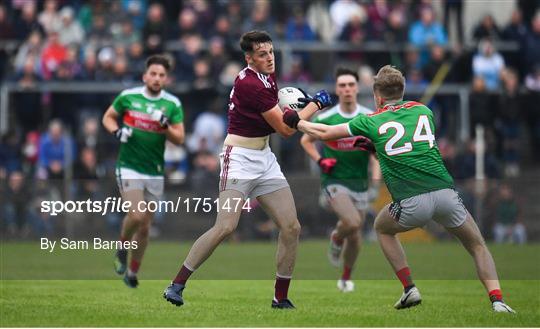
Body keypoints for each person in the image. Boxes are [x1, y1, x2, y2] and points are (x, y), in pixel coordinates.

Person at [282, 65, 515, 313]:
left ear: (377, 97)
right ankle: (498, 300)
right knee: (477, 245)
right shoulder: (424, 111)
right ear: (402, 90)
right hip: (446, 195)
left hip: (411, 201)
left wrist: (297, 122)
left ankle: (409, 288)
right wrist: (375, 149)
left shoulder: (371, 119)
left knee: (381, 228)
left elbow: (325, 132)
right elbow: (410, 146)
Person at [163, 30, 332, 309]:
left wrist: (295, 113)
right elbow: (285, 130)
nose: (269, 58)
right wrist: (315, 104)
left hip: (264, 157)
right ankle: (177, 284)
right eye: (262, 54)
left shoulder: (267, 76)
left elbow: (280, 122)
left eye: (271, 52)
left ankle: (280, 298)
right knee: (226, 226)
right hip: (239, 158)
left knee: (291, 227)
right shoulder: (250, 83)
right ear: (249, 58)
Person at [102, 54, 185, 288]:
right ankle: (121, 246)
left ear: (166, 79)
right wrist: (117, 132)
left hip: (155, 170)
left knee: (146, 227)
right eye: (153, 74)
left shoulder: (172, 104)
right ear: (145, 76)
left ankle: (132, 271)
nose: (157, 78)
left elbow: (179, 138)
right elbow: (108, 118)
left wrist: (165, 125)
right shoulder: (128, 97)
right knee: (137, 215)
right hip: (129, 166)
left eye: (161, 75)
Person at [300, 67, 381, 292]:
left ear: (357, 88)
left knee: (355, 238)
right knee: (353, 223)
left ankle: (345, 278)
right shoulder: (326, 117)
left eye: (351, 85)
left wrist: (375, 183)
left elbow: (375, 155)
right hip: (334, 181)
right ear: (337, 89)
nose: (347, 89)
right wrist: (320, 161)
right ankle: (336, 237)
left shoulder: (367, 117)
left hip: (360, 183)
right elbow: (305, 141)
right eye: (342, 85)